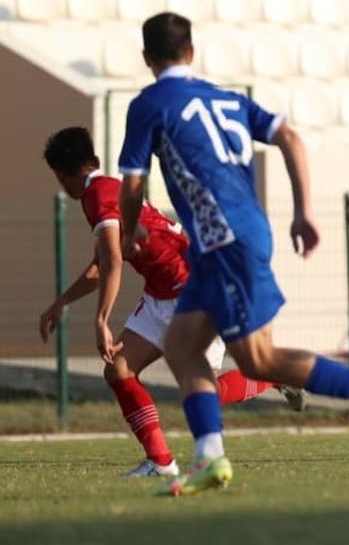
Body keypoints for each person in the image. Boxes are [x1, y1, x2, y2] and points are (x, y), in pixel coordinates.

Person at [116, 12, 349, 496]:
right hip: (235, 237)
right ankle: (209, 458)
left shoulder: (149, 105)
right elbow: (289, 136)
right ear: (192, 52)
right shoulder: (228, 99)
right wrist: (302, 212)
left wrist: (129, 233)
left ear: (147, 57)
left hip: (223, 241)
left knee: (258, 359)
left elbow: (131, 184)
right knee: (183, 347)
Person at [39, 127, 304, 478]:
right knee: (119, 369)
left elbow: (113, 260)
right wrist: (62, 303)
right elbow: (102, 262)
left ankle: (272, 376)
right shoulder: (108, 190)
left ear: (60, 176)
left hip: (195, 290)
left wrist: (101, 320)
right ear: (96, 160)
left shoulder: (96, 197)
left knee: (202, 392)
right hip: (161, 293)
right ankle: (161, 461)